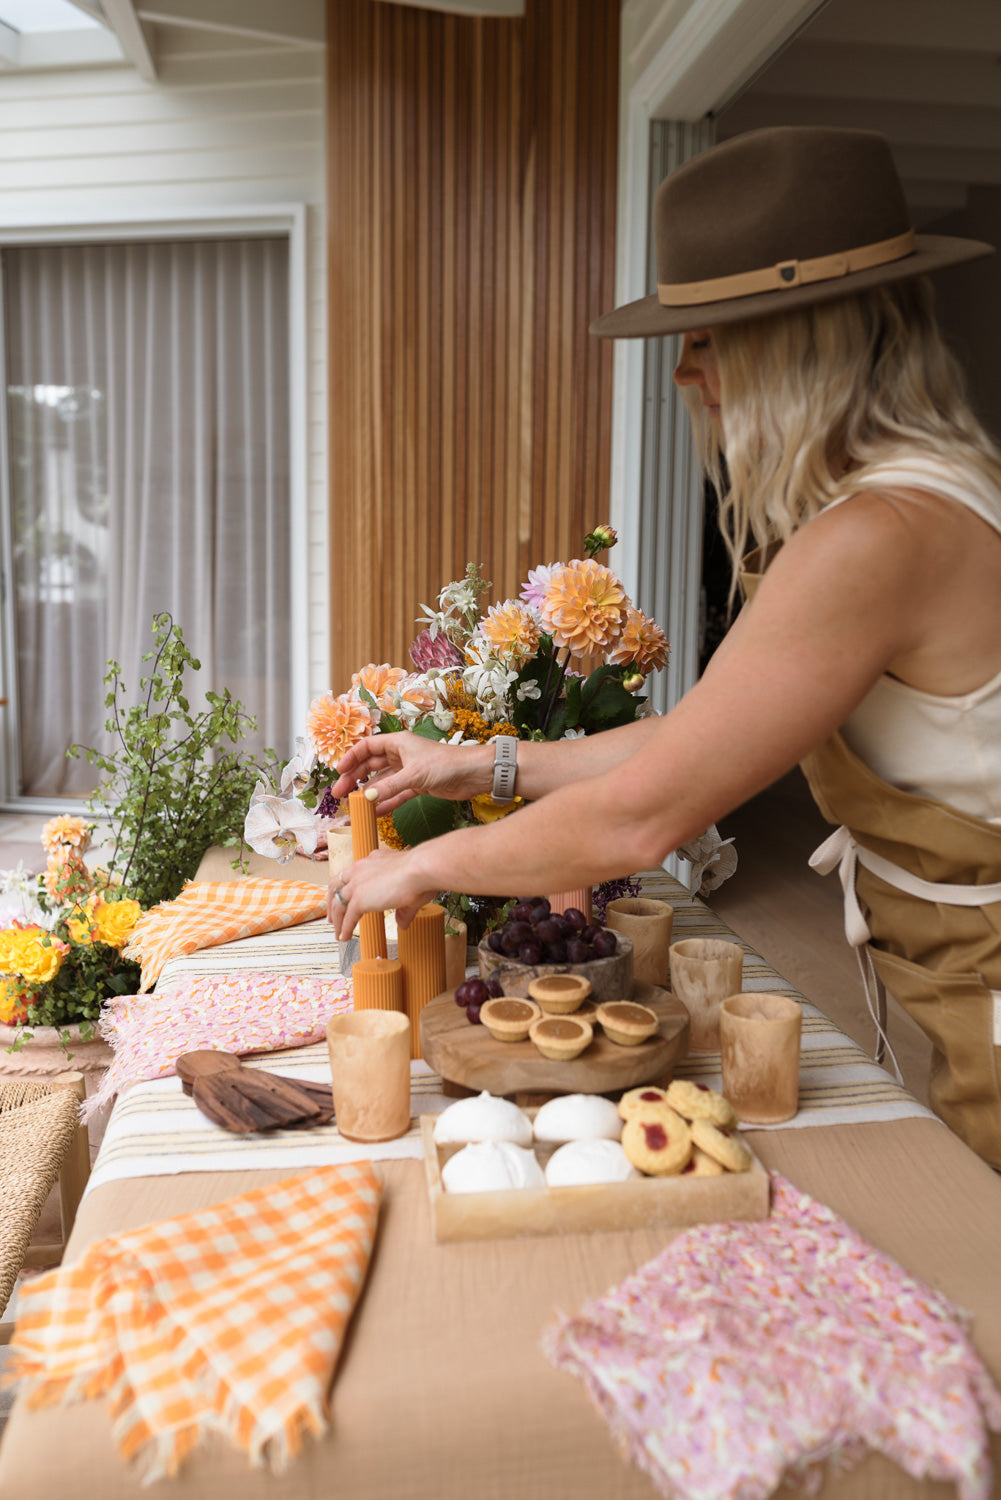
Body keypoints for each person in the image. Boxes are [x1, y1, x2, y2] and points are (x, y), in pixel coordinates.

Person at [328, 126, 1001, 1169]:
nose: (684, 372)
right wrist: (478, 766)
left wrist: (419, 867)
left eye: (709, 336)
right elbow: (691, 743)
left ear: (800, 337)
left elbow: (646, 813)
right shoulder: (919, 491)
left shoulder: (874, 537)